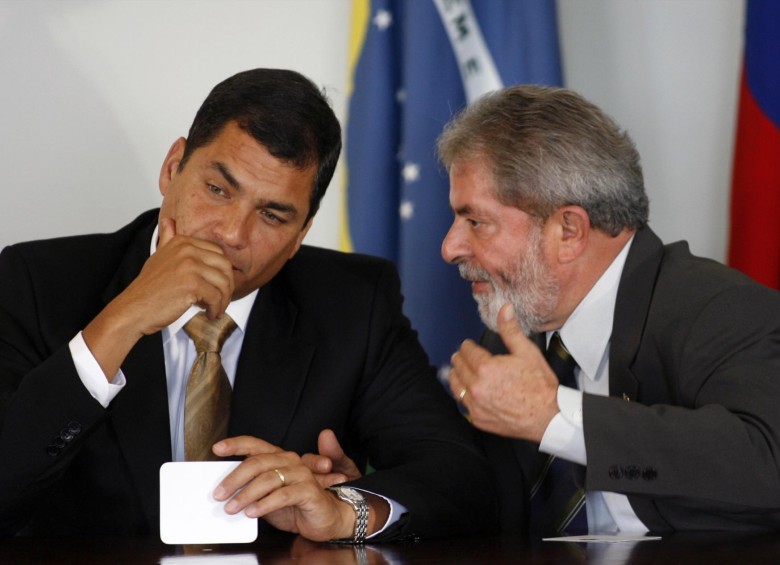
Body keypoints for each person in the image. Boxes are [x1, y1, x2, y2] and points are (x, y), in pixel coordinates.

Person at [0, 68, 497, 540]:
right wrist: (122, 320)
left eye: (273, 215)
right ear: (173, 168)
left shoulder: (352, 303)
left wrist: (346, 511)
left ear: (301, 233)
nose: (232, 235)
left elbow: (461, 478)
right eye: (217, 190)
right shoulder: (37, 283)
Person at [438, 85, 780, 535]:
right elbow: (474, 494)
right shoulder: (514, 329)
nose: (450, 247)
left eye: (475, 222)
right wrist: (363, 500)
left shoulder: (718, 309)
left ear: (569, 231)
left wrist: (554, 415)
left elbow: (765, 461)